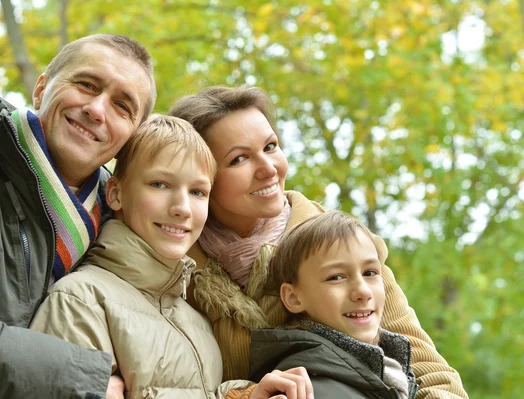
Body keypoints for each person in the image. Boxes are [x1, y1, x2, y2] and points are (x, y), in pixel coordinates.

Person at [168, 86, 468, 398]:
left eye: (271, 147)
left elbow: (431, 373)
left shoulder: (344, 246)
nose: (269, 169)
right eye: (240, 158)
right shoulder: (174, 265)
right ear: (201, 175)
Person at [0, 34, 156, 398]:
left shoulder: (125, 220)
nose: (97, 110)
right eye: (86, 84)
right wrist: (85, 383)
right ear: (41, 88)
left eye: (122, 106)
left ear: (132, 136)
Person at [30, 114, 314, 399]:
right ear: (115, 193)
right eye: (159, 185)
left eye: (197, 192)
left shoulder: (196, 318)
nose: (183, 208)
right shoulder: (79, 301)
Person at [251, 211, 418, 398]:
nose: (362, 292)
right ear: (293, 297)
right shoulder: (306, 390)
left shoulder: (391, 369)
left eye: (370, 273)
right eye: (336, 277)